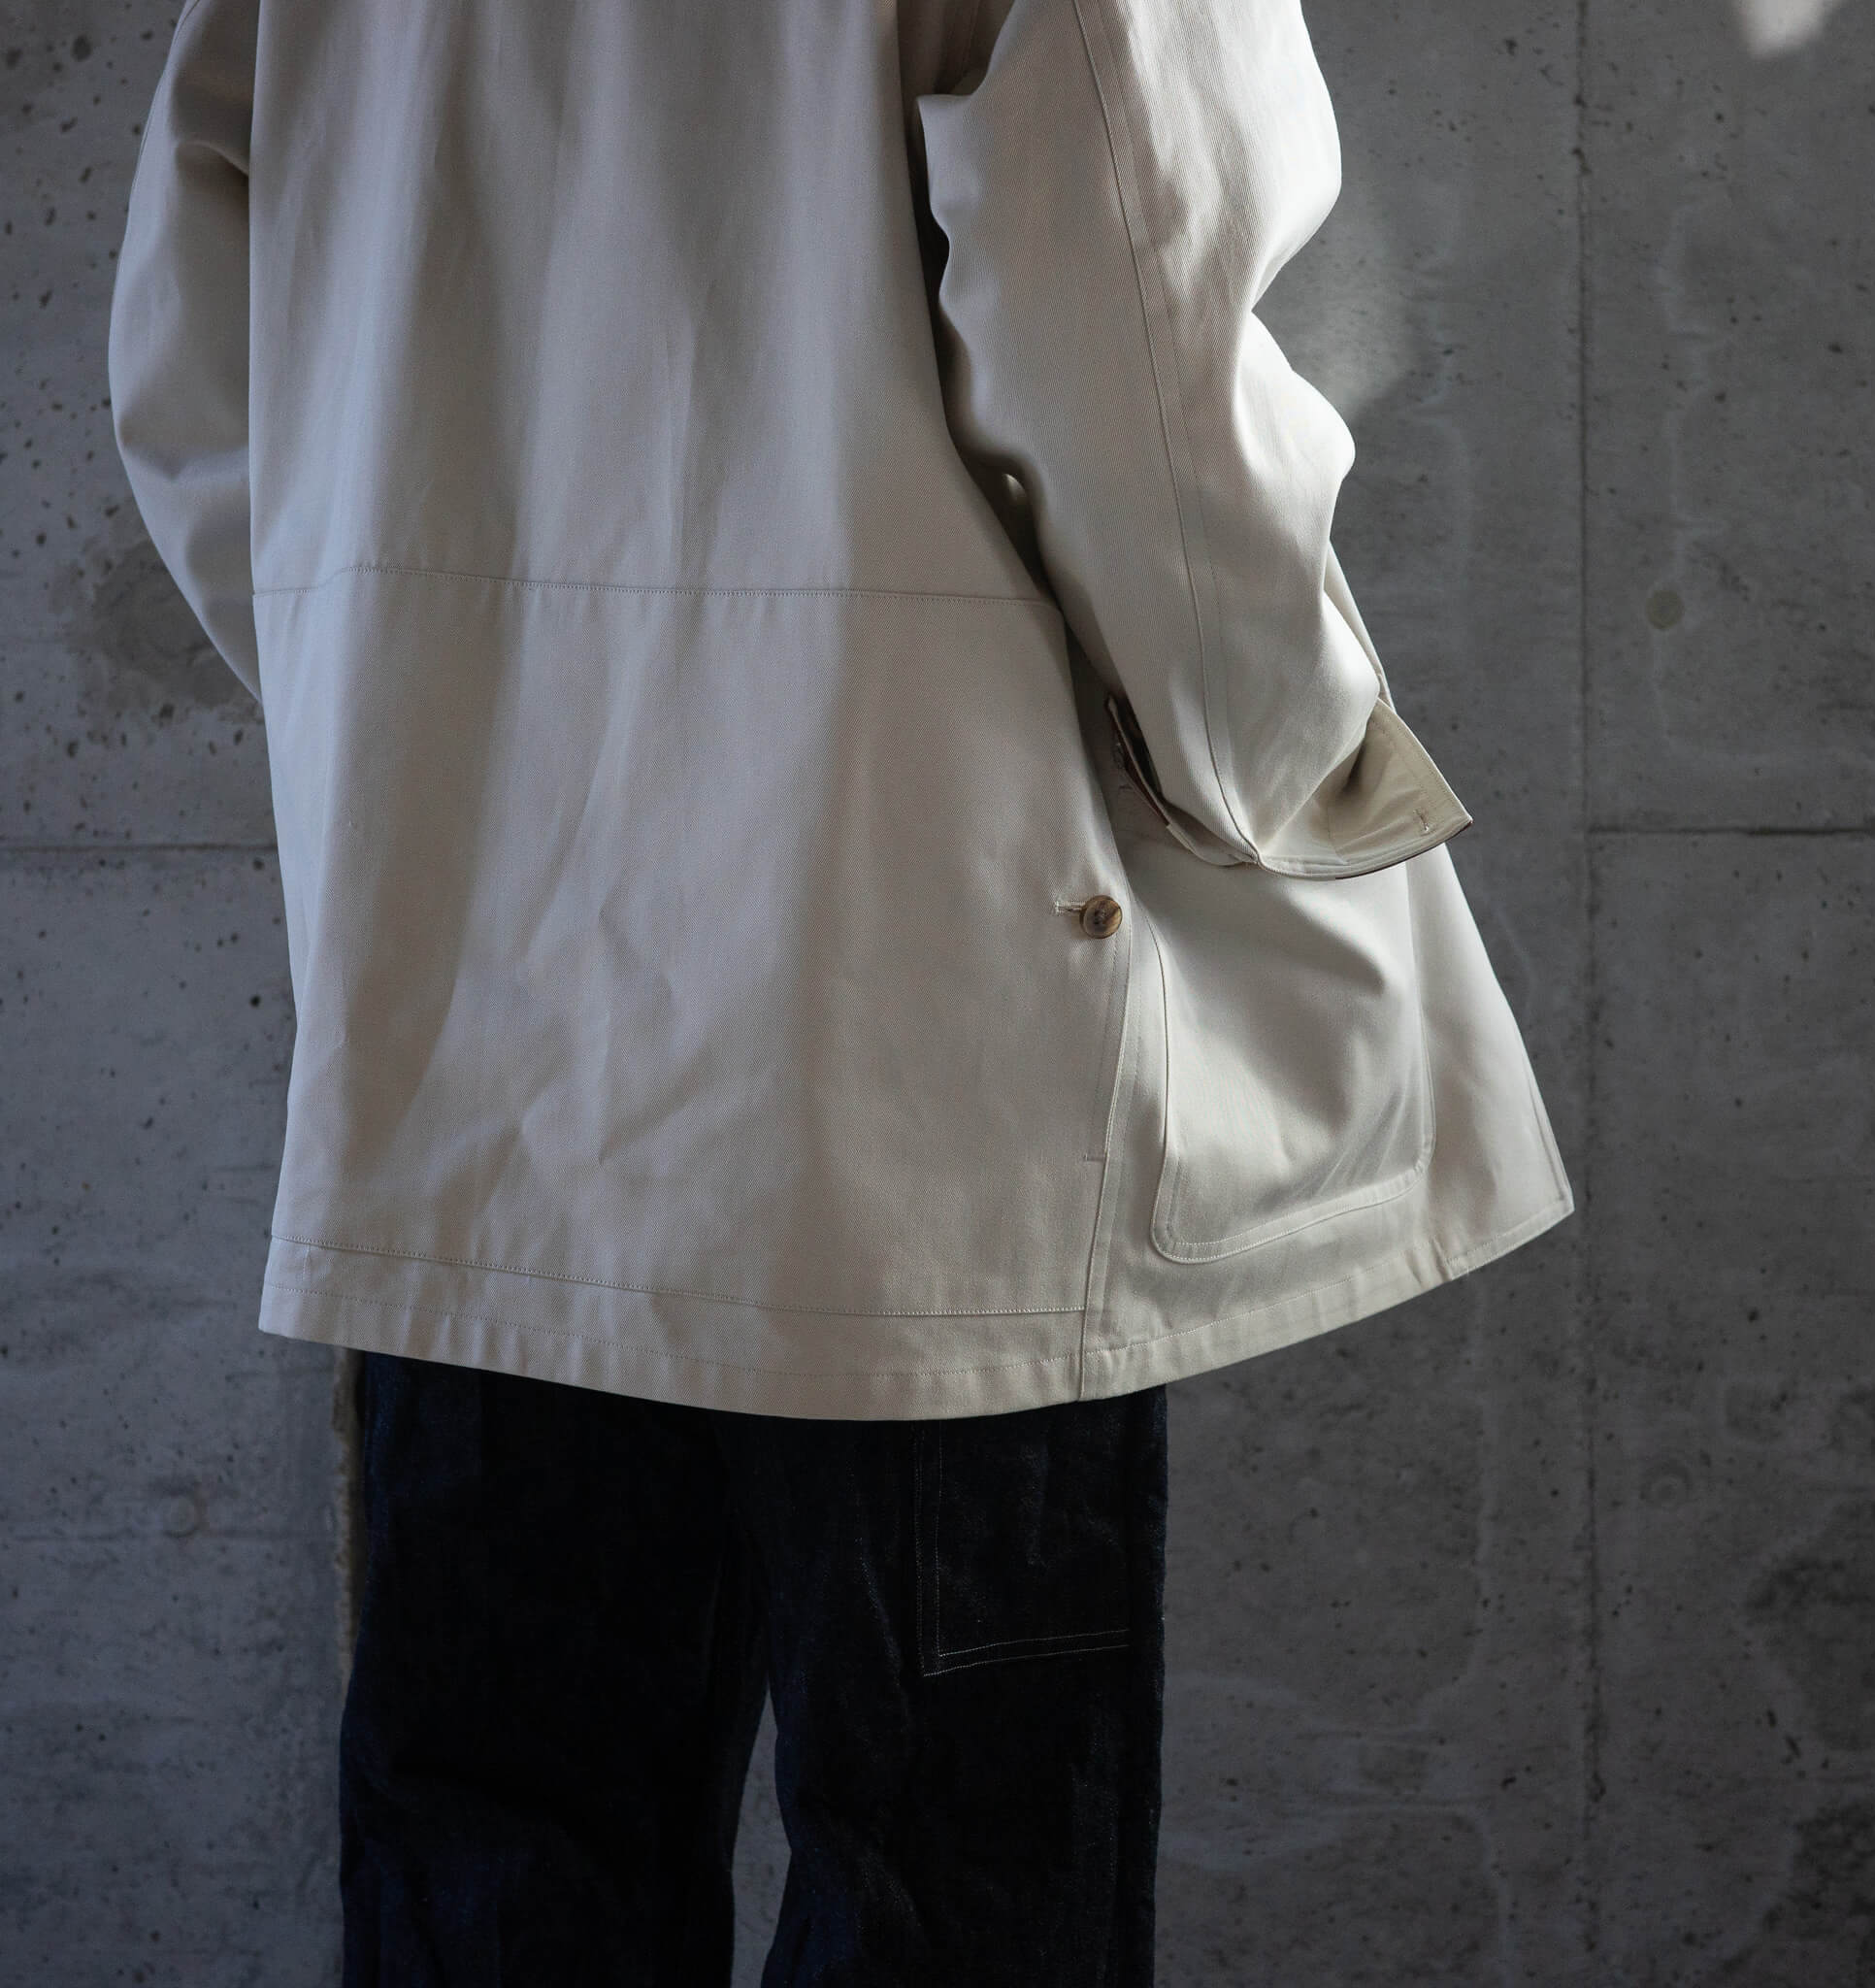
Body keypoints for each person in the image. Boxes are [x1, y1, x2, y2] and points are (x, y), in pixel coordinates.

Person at [107, 1, 1575, 1981]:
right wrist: (1285, 755)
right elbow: (1125, 314)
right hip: (928, 1022)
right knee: (955, 1881)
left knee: (503, 1853)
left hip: (495, 1015)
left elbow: (196, 363)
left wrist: (420, 727)